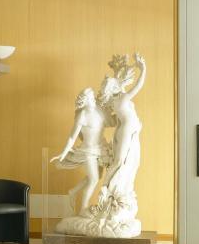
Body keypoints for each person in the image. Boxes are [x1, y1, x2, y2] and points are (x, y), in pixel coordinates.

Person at [50, 88, 111, 216]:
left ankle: (73, 192)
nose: (94, 99)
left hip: (100, 149)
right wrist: (63, 153)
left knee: (97, 176)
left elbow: (111, 121)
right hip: (88, 151)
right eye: (91, 98)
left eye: (93, 97)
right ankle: (83, 208)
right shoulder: (82, 115)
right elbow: (72, 137)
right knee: (93, 179)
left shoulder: (98, 110)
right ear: (84, 101)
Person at [98, 53, 146, 201]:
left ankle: (114, 189)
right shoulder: (123, 99)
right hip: (126, 130)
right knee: (120, 161)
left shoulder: (116, 100)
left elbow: (119, 121)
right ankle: (105, 188)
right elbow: (138, 86)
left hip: (125, 130)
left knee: (126, 161)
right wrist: (143, 68)